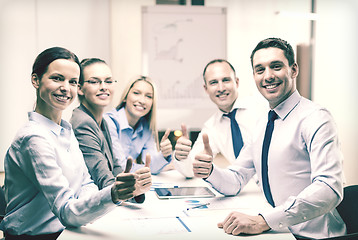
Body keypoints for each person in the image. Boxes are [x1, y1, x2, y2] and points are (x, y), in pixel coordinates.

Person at [193, 38, 346, 239]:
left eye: (276, 66)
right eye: (260, 69)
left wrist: (263, 220)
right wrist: (210, 171)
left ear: (293, 70)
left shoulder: (316, 118)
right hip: (278, 232)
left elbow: (329, 189)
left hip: (313, 235)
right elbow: (236, 180)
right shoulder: (263, 124)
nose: (268, 76)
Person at [0, 47, 149, 239]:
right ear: (35, 80)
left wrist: (92, 206)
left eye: (73, 82)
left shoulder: (65, 130)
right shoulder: (33, 138)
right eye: (57, 78)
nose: (65, 87)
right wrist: (113, 195)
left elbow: (86, 182)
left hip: (68, 232)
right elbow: (66, 211)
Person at [70, 58, 151, 203]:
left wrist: (135, 187)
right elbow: (102, 177)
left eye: (108, 81)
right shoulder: (83, 123)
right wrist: (131, 188)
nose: (103, 87)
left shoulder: (102, 122)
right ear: (80, 88)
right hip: (89, 204)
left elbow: (115, 167)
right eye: (95, 82)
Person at [173, 59, 263, 178]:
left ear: (236, 82)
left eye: (226, 80)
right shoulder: (211, 127)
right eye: (214, 82)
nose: (221, 88)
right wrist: (180, 157)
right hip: (246, 188)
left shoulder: (262, 107)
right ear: (206, 89)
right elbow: (191, 170)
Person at [105, 76, 173, 175]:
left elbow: (150, 164)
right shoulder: (109, 122)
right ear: (125, 97)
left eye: (149, 96)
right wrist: (151, 168)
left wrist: (164, 155)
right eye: (136, 93)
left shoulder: (146, 127)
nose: (142, 100)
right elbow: (121, 167)